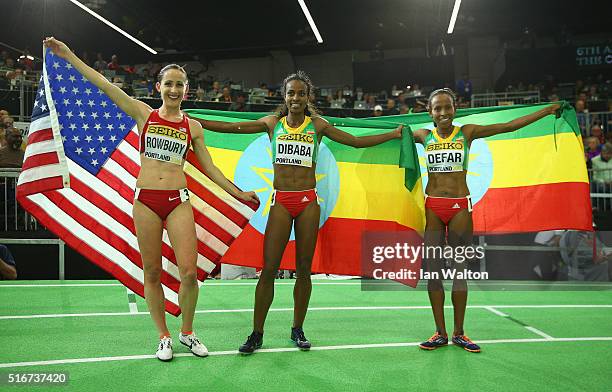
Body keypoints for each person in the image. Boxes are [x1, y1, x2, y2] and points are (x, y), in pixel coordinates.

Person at [43, 37, 259, 362]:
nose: (174, 90)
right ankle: (163, 337)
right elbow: (102, 83)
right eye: (169, 84)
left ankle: (187, 332)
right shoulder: (143, 114)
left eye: (180, 85)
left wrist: (238, 193)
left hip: (178, 200)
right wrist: (67, 53)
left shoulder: (193, 127)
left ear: (187, 90)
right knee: (153, 273)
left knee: (188, 272)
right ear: (159, 86)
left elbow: (211, 168)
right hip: (146, 201)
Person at [191, 71, 403, 354]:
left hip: (307, 204)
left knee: (304, 270)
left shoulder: (318, 126)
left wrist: (393, 134)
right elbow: (231, 128)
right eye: (291, 93)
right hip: (281, 202)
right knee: (268, 269)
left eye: (301, 93)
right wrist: (191, 122)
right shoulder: (271, 124)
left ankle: (297, 328)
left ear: (308, 97)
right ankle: (256, 332)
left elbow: (354, 141)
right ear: (284, 95)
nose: (295, 98)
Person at [412, 88, 560, 353]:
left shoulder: (467, 132)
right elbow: (388, 136)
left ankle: (459, 332)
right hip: (434, 208)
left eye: (448, 107)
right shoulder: (423, 136)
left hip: (459, 209)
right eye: (438, 108)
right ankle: (439, 332)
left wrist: (546, 111)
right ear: (430, 112)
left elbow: (509, 125)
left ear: (455, 109)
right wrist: (344, 127)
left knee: (459, 271)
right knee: (433, 272)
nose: (443, 113)